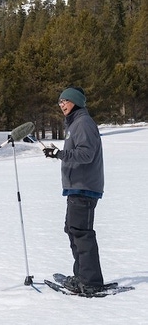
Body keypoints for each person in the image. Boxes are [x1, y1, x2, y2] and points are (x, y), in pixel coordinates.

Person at [43, 86, 105, 295]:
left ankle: (90, 282)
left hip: (84, 187)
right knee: (73, 230)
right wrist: (58, 153)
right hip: (76, 188)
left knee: (81, 233)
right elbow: (76, 152)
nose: (61, 105)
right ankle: (82, 276)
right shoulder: (75, 124)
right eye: (59, 102)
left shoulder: (83, 123)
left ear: (76, 102)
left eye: (65, 101)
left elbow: (86, 154)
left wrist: (60, 154)